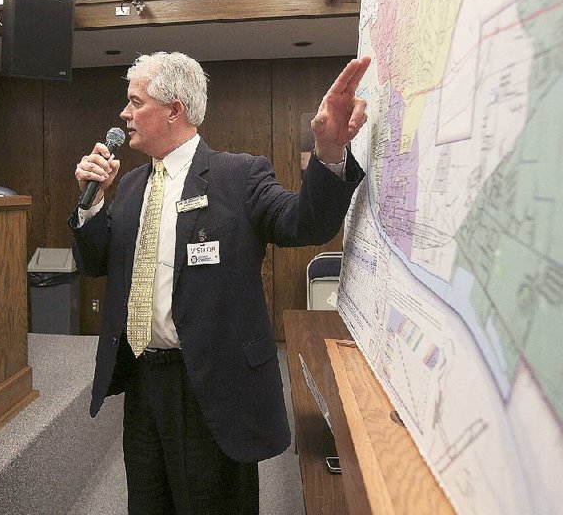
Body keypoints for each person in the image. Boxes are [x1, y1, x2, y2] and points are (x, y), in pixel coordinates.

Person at [69, 51, 371, 514]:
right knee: (149, 502)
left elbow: (303, 225)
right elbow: (96, 263)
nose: (123, 114)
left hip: (213, 385)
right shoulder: (129, 187)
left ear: (175, 109)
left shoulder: (239, 176)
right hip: (144, 381)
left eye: (135, 102)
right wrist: (90, 205)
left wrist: (329, 155)